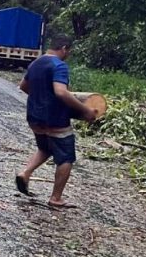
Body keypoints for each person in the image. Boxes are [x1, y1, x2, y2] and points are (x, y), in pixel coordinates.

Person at [14, 34, 97, 209]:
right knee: (66, 156)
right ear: (64, 49)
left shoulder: (36, 63)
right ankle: (56, 198)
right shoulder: (59, 66)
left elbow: (23, 86)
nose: (68, 55)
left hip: (34, 118)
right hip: (55, 119)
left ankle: (25, 173)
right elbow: (60, 92)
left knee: (45, 148)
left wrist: (40, 98)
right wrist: (86, 110)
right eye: (69, 52)